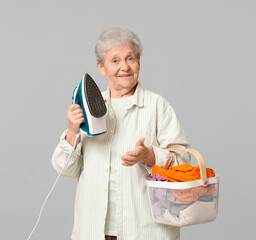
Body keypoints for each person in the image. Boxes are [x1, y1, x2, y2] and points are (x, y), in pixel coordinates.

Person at [51, 27, 191, 240]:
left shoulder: (157, 106)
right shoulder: (88, 110)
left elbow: (183, 163)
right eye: (115, 61)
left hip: (146, 232)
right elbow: (65, 169)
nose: (124, 66)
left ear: (139, 62)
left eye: (130, 58)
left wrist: (150, 156)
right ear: (101, 67)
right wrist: (72, 132)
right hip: (93, 231)